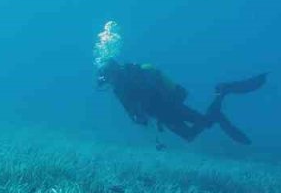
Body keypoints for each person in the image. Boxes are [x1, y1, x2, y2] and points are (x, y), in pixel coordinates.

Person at [97, 59, 266, 145]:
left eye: (107, 78)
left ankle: (221, 95)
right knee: (196, 129)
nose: (108, 82)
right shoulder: (122, 86)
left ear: (113, 72)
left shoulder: (127, 82)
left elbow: (138, 104)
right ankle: (219, 101)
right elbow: (133, 110)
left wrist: (141, 118)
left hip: (168, 108)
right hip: (165, 110)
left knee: (192, 133)